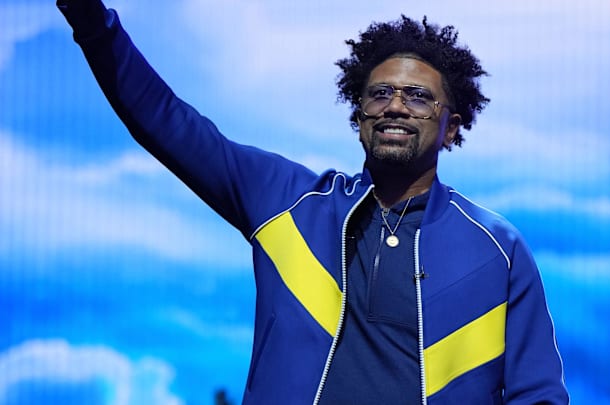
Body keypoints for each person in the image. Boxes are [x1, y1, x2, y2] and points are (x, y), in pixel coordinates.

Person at [58, 0, 570, 404]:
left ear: (451, 127)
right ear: (359, 116)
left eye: (418, 97)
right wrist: (89, 19)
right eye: (379, 93)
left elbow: (537, 395)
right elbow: (164, 120)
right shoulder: (286, 201)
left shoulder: (498, 249)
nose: (395, 104)